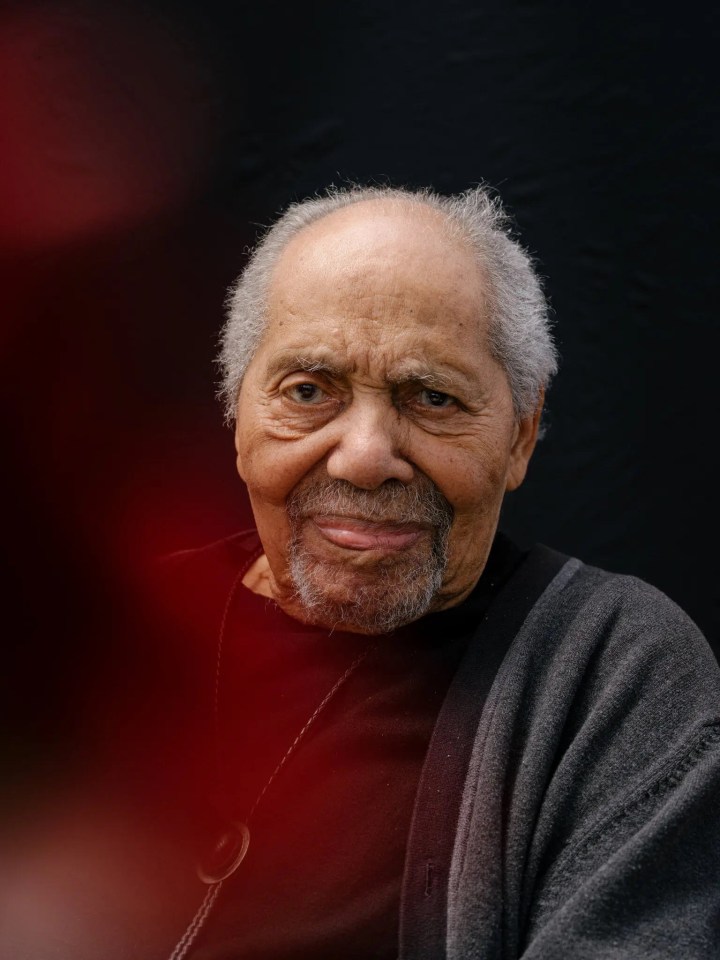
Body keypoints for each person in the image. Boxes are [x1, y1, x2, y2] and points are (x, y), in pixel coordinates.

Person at [11, 184, 712, 960]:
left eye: (433, 397)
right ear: (234, 410)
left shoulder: (614, 675)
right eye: (309, 391)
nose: (367, 456)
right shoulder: (94, 644)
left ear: (521, 434)